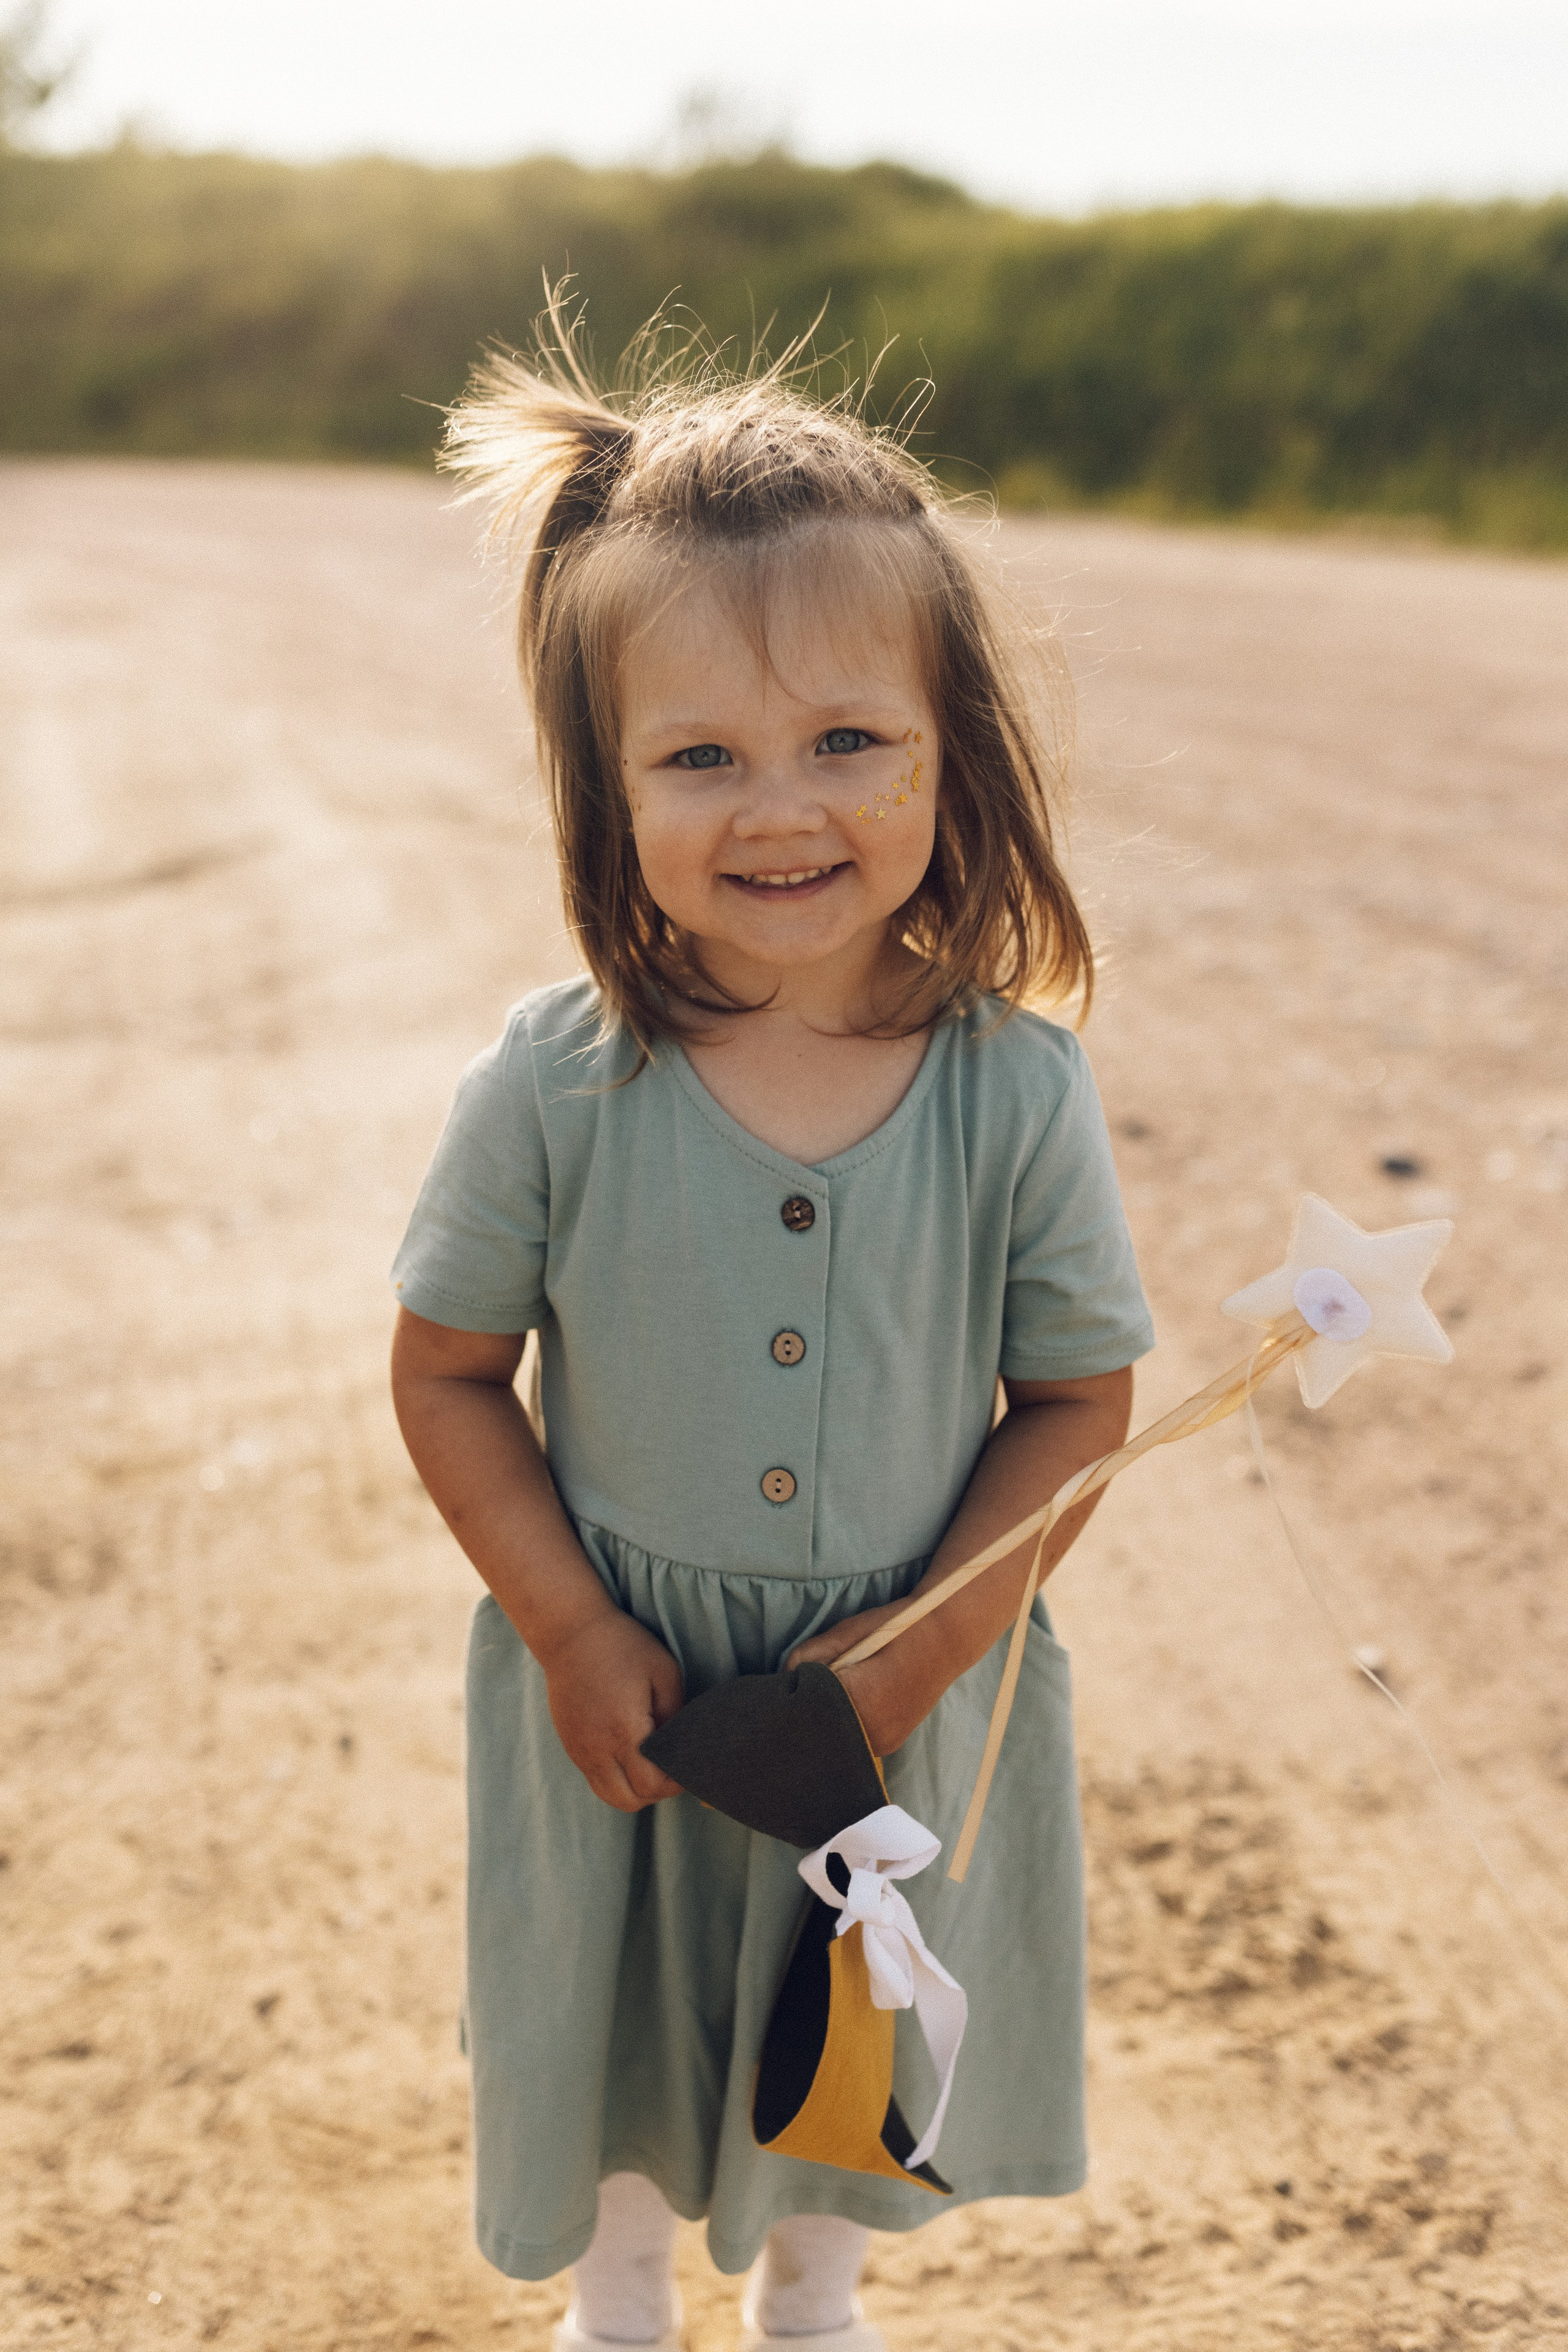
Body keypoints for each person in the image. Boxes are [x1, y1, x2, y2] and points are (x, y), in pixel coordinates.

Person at [389, 310, 1156, 2352]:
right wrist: (567, 1624)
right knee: (621, 1999)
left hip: (909, 1674)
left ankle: (814, 2299)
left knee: (853, 1990)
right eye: (699, 755)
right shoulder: (555, 1089)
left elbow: (1081, 1399)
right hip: (622, 1669)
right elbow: (448, 1371)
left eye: (847, 741)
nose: (780, 807)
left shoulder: (1017, 1092)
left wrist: (906, 1663)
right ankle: (620, 2295)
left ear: (947, 749)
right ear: (606, 782)